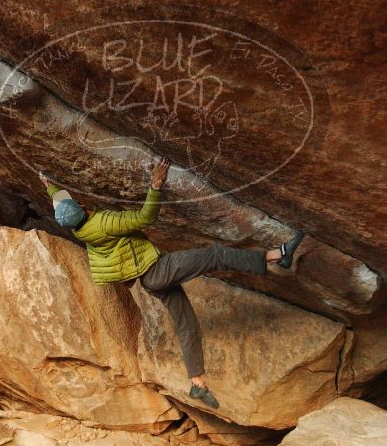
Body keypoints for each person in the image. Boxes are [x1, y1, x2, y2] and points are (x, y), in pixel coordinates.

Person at [41, 157, 304, 409]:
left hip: (150, 281)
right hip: (158, 270)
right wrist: (155, 186)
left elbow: (63, 204)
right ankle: (278, 255)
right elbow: (145, 218)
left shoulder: (79, 228)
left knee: (186, 323)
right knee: (215, 255)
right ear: (84, 208)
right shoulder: (103, 223)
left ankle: (197, 382)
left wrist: (48, 184)